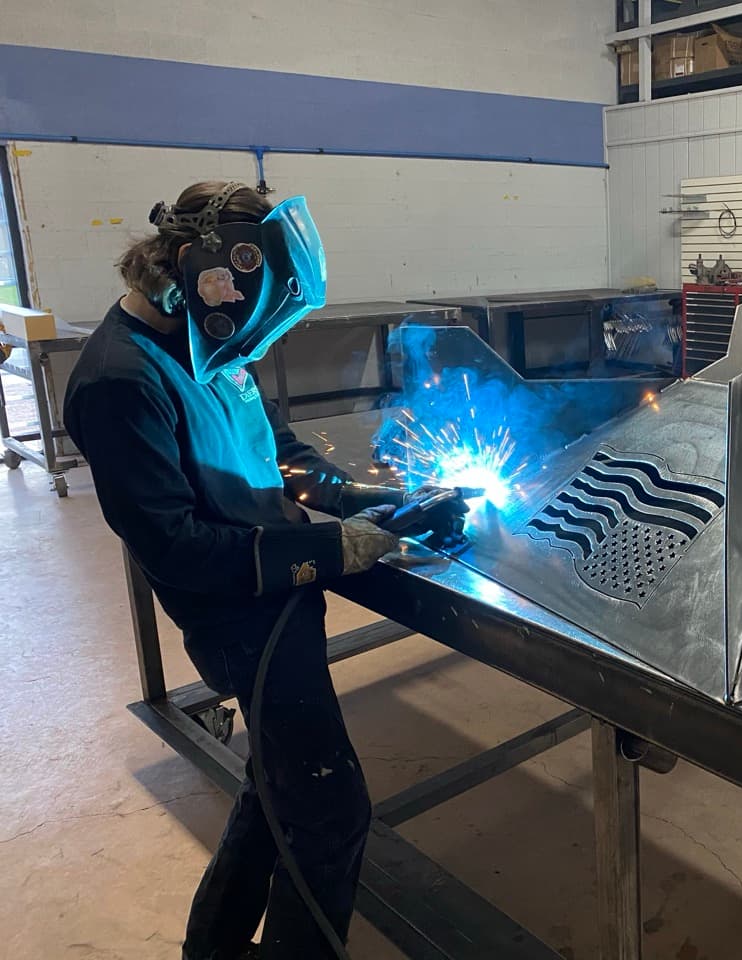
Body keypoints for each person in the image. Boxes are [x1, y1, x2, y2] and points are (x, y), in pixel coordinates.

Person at [63, 181, 467, 959]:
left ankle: (211, 950)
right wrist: (334, 549)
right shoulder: (122, 381)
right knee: (328, 811)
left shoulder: (205, 341)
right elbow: (176, 548)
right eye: (255, 317)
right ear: (194, 268)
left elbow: (277, 450)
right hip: (240, 620)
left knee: (279, 788)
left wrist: (359, 496)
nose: (256, 343)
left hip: (277, 591)